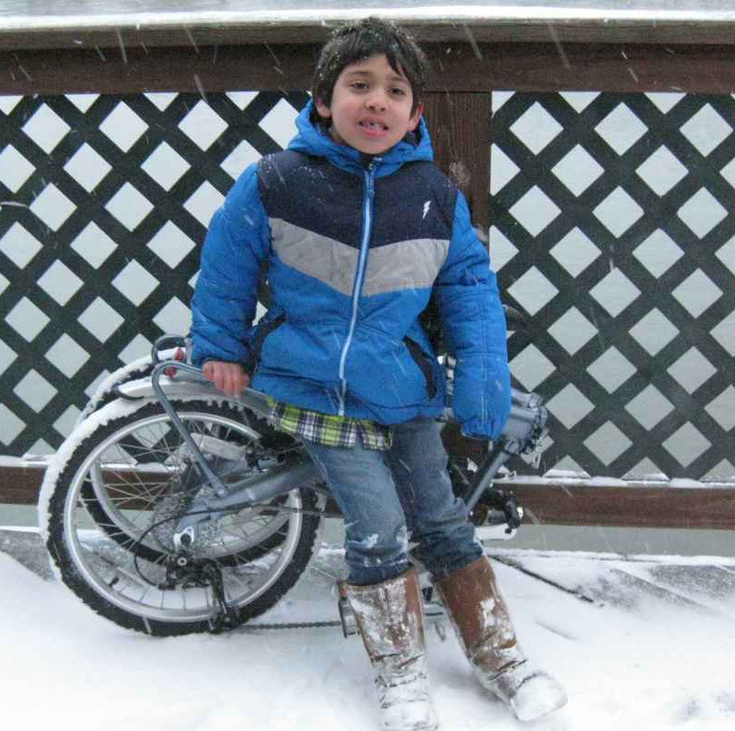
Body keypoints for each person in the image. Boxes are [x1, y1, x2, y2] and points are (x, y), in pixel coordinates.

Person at [188, 17, 567, 730]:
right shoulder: (276, 182)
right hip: (316, 391)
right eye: (359, 84)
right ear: (324, 99)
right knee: (380, 528)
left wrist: (484, 381)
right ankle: (400, 671)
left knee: (445, 519)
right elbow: (227, 264)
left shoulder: (433, 199)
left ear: (415, 113)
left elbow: (470, 293)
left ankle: (502, 654)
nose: (377, 101)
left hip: (401, 389)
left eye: (395, 90)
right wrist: (221, 346)